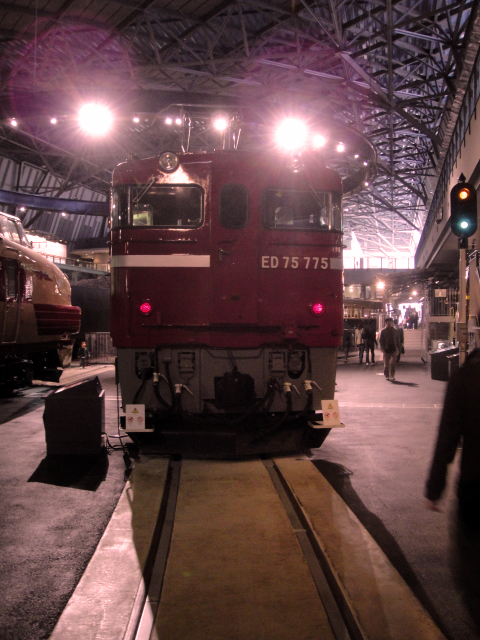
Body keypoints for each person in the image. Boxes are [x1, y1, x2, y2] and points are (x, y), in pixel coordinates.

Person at [425, 349, 480, 631]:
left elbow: (447, 437)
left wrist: (435, 488)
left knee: (471, 565)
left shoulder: (466, 376)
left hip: (475, 488)